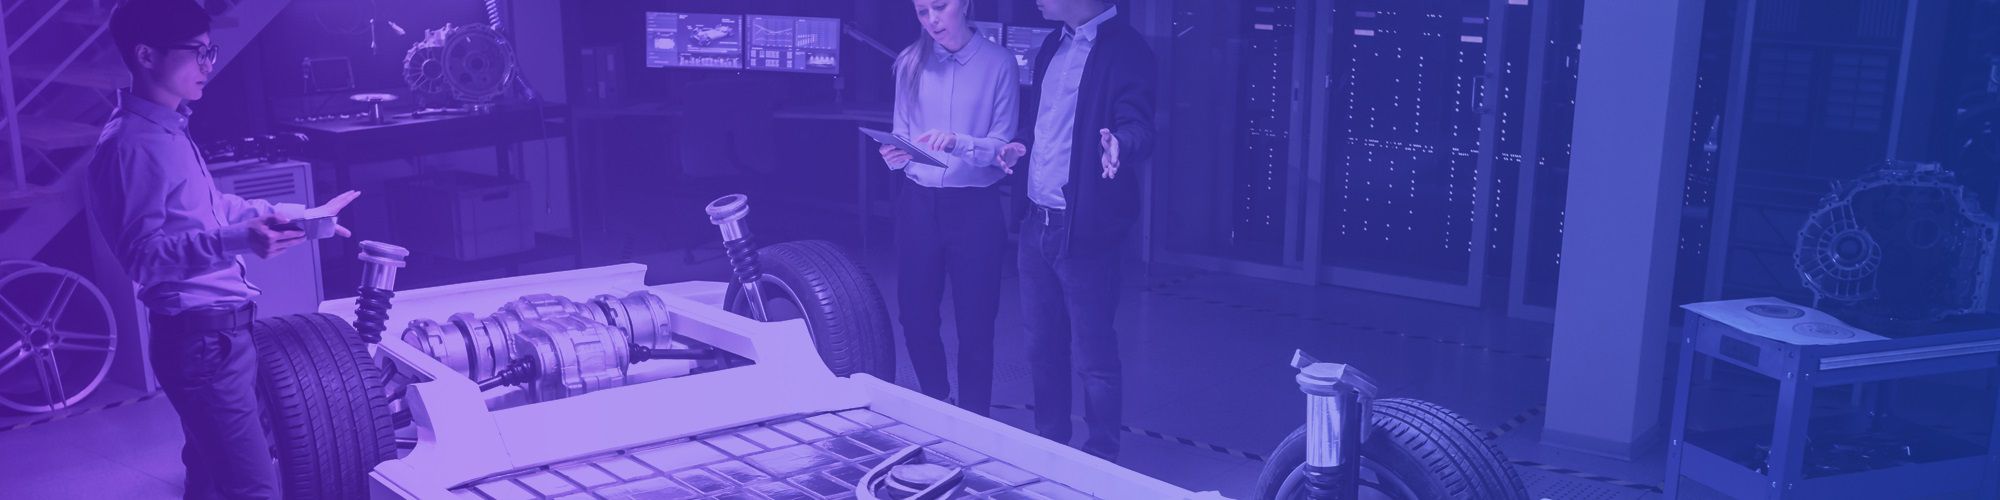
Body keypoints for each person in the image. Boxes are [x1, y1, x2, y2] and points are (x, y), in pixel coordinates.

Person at [86, 1, 359, 498]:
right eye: (196, 52)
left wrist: (299, 216)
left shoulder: (168, 129)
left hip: (220, 337)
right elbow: (143, 257)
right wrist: (240, 240)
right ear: (146, 55)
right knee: (253, 489)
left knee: (211, 480)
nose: (208, 65)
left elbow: (213, 210)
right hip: (201, 344)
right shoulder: (131, 145)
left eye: (210, 51)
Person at [998, 0, 1155, 461]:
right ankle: (1051, 448)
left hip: (1085, 230)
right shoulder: (1052, 45)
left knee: (1094, 358)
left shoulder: (1128, 50)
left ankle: (1100, 459)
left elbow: (1138, 124)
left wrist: (1120, 144)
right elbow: (1042, 126)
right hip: (1036, 222)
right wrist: (1019, 145)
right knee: (1041, 349)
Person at [878, 0, 1020, 416]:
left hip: (975, 208)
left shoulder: (999, 63)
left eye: (940, 7)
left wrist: (960, 142)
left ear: (966, 4)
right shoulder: (909, 62)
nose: (932, 20)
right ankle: (937, 400)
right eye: (922, 12)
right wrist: (895, 154)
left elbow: (1003, 145)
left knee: (977, 323)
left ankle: (975, 417)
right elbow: (902, 134)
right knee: (914, 316)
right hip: (918, 203)